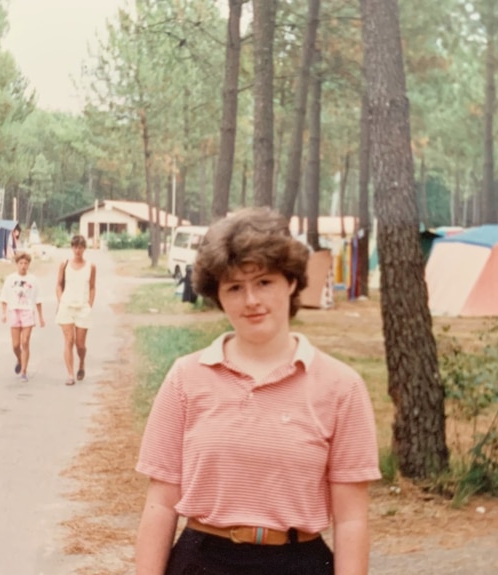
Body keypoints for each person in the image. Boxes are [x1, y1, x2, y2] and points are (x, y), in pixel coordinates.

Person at [134, 207, 381, 575]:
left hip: (299, 561)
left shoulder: (342, 387)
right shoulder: (185, 377)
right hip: (201, 561)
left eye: (264, 282)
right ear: (218, 296)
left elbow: (351, 520)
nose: (251, 300)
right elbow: (160, 502)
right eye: (234, 287)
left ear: (291, 282)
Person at [55, 234, 97, 386]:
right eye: (75, 247)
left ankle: (82, 362)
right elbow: (59, 284)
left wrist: (90, 303)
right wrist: (60, 300)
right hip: (66, 306)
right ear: (71, 248)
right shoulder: (64, 264)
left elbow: (92, 287)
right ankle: (70, 374)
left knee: (80, 344)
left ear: (84, 248)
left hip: (82, 308)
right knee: (68, 340)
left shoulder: (91, 266)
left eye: (80, 247)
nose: (77, 250)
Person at [0, 251, 45, 382]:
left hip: (27, 311)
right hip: (14, 311)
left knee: (25, 342)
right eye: (21, 263)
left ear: (29, 264)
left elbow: (38, 299)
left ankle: (24, 371)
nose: (23, 266)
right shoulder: (10, 279)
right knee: (15, 345)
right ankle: (19, 359)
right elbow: (4, 297)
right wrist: (3, 313)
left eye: (25, 263)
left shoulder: (33, 280)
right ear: (17, 264)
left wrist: (41, 317)